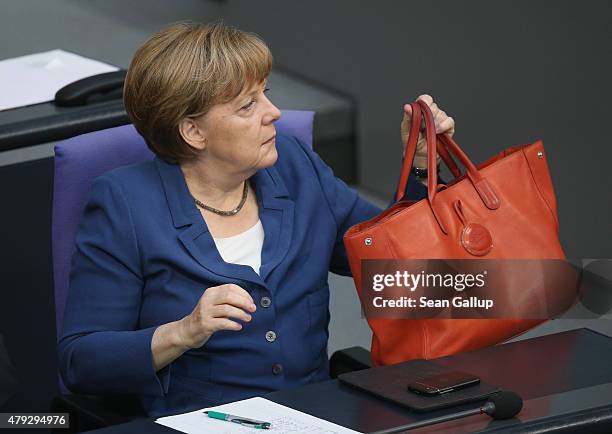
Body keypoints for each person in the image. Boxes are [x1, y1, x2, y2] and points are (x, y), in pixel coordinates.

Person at [58, 21, 455, 417]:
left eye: (265, 94)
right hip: (202, 422)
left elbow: (390, 261)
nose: (274, 113)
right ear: (193, 131)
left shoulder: (296, 165)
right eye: (248, 105)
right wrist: (183, 331)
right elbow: (82, 360)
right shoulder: (124, 203)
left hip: (315, 415)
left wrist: (421, 167)